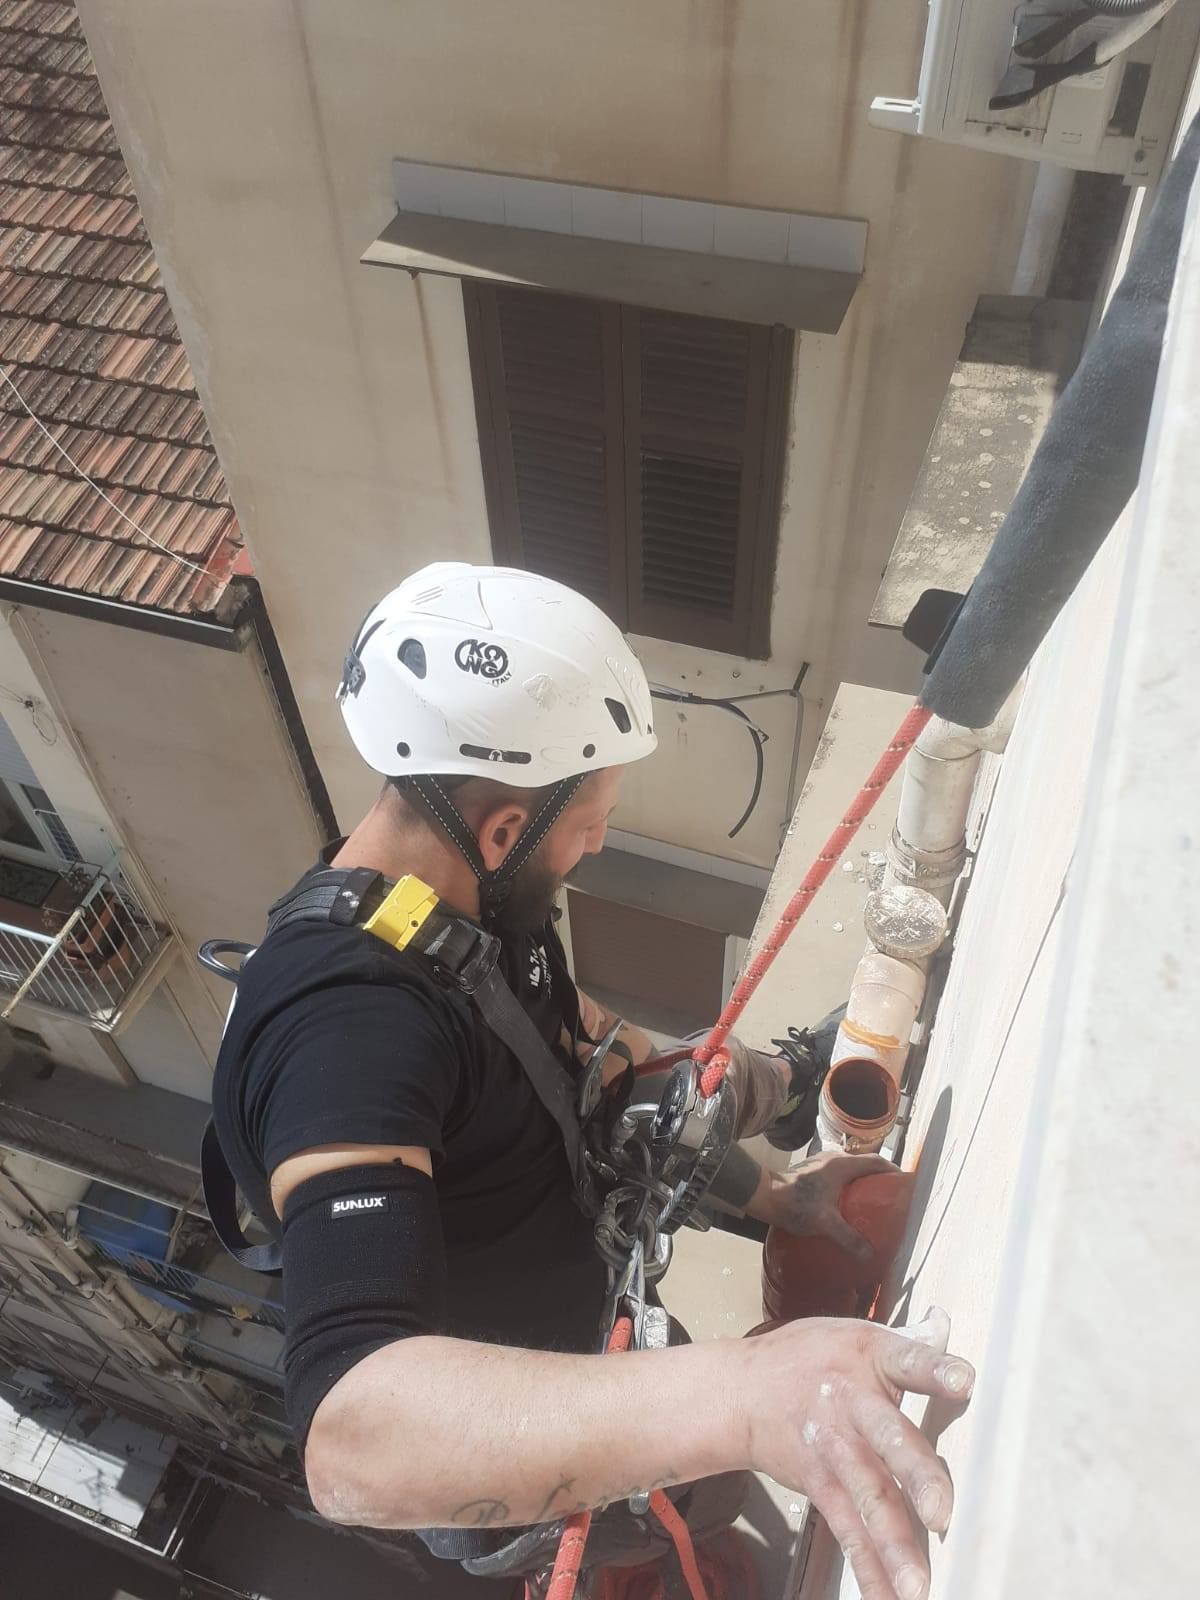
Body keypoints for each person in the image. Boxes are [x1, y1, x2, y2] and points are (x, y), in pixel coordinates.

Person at [210, 563, 973, 1600]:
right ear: (502, 828)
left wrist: (775, 1188)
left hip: (597, 1343)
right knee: (684, 1526)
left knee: (706, 1500)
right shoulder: (345, 1026)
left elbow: (586, 1062)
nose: (599, 841)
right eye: (589, 819)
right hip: (528, 1435)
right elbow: (354, 1437)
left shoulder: (455, 920)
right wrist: (747, 1394)